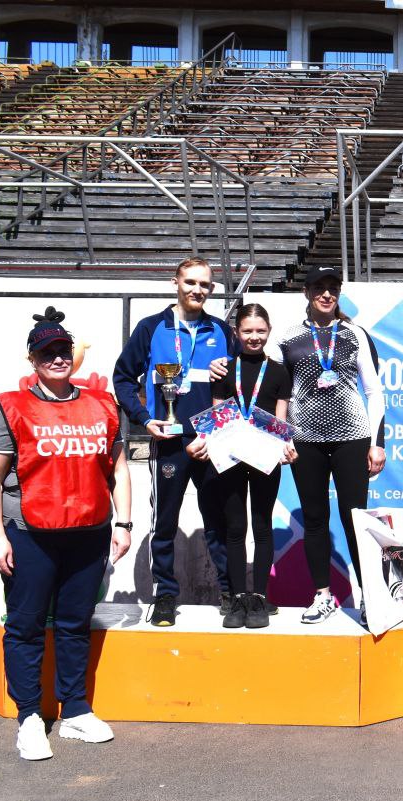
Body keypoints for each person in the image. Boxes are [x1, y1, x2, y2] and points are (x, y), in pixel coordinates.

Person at [0, 308, 133, 760]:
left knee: (73, 625)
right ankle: (29, 716)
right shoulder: (12, 406)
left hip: (88, 530)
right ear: (33, 358)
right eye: (48, 351)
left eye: (63, 349)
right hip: (29, 532)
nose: (58, 358)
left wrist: (123, 523)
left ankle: (77, 710)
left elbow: (119, 470)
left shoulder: (104, 405)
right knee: (25, 626)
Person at [113, 257, 235, 627]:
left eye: (205, 285)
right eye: (191, 282)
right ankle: (165, 595)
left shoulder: (222, 331)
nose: (198, 290)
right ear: (175, 283)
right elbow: (122, 378)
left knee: (218, 520)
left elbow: (236, 391)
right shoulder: (152, 328)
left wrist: (223, 388)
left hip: (211, 441)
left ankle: (228, 592)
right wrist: (145, 418)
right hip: (168, 442)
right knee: (164, 521)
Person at [280, 265, 386, 624]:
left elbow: (374, 390)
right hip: (305, 438)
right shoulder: (289, 337)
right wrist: (282, 437)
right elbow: (279, 393)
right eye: (320, 288)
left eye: (333, 288)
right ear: (307, 292)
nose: (327, 294)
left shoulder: (354, 333)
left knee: (355, 519)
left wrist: (377, 442)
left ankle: (371, 596)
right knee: (314, 519)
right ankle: (322, 595)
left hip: (352, 437)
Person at [187, 304, 296, 629]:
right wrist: (202, 441)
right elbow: (217, 416)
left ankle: (258, 598)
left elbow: (279, 418)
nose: (254, 337)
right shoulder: (223, 371)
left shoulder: (278, 372)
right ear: (236, 333)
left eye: (260, 331)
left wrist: (285, 446)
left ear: (269, 331)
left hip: (264, 457)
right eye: (247, 331)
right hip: (231, 457)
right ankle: (235, 598)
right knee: (235, 529)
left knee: (262, 528)